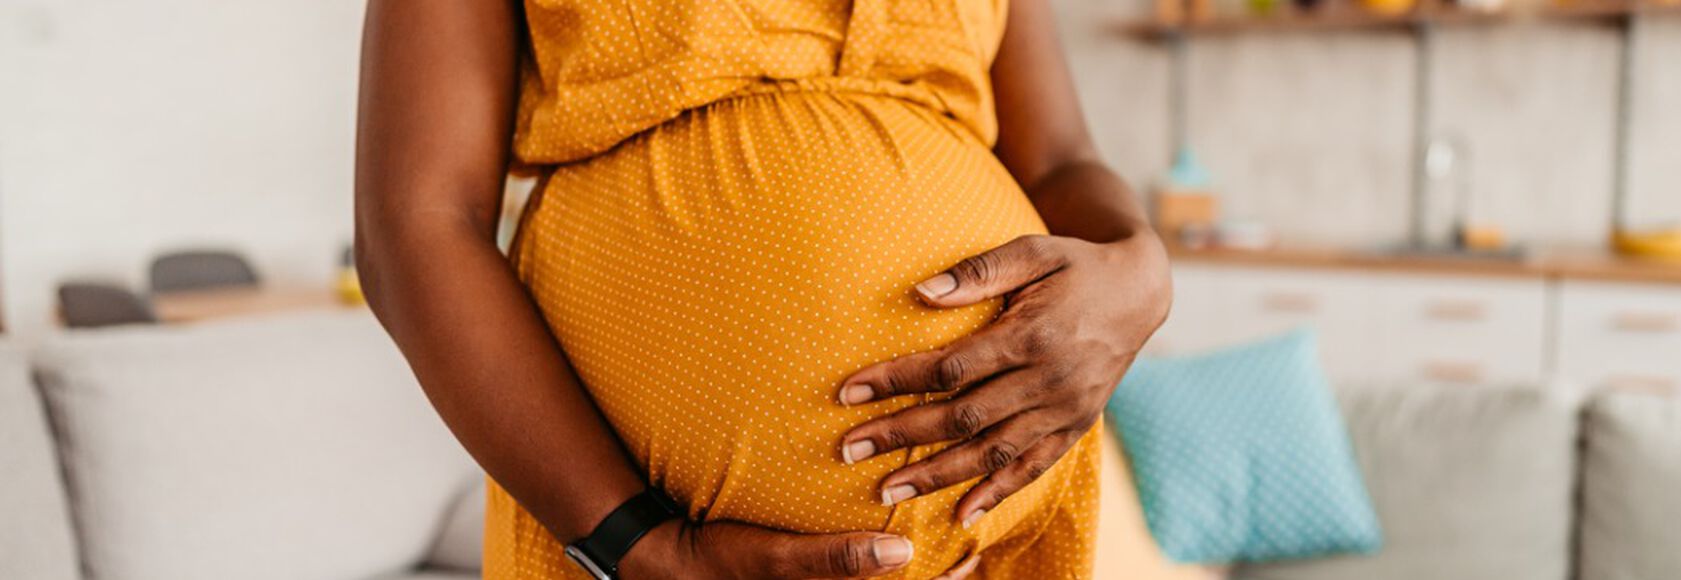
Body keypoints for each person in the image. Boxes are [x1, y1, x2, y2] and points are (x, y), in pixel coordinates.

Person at [354, 1, 1170, 578]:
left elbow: (1061, 158)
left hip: (986, 546)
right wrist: (640, 548)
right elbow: (418, 223)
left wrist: (1140, 266)